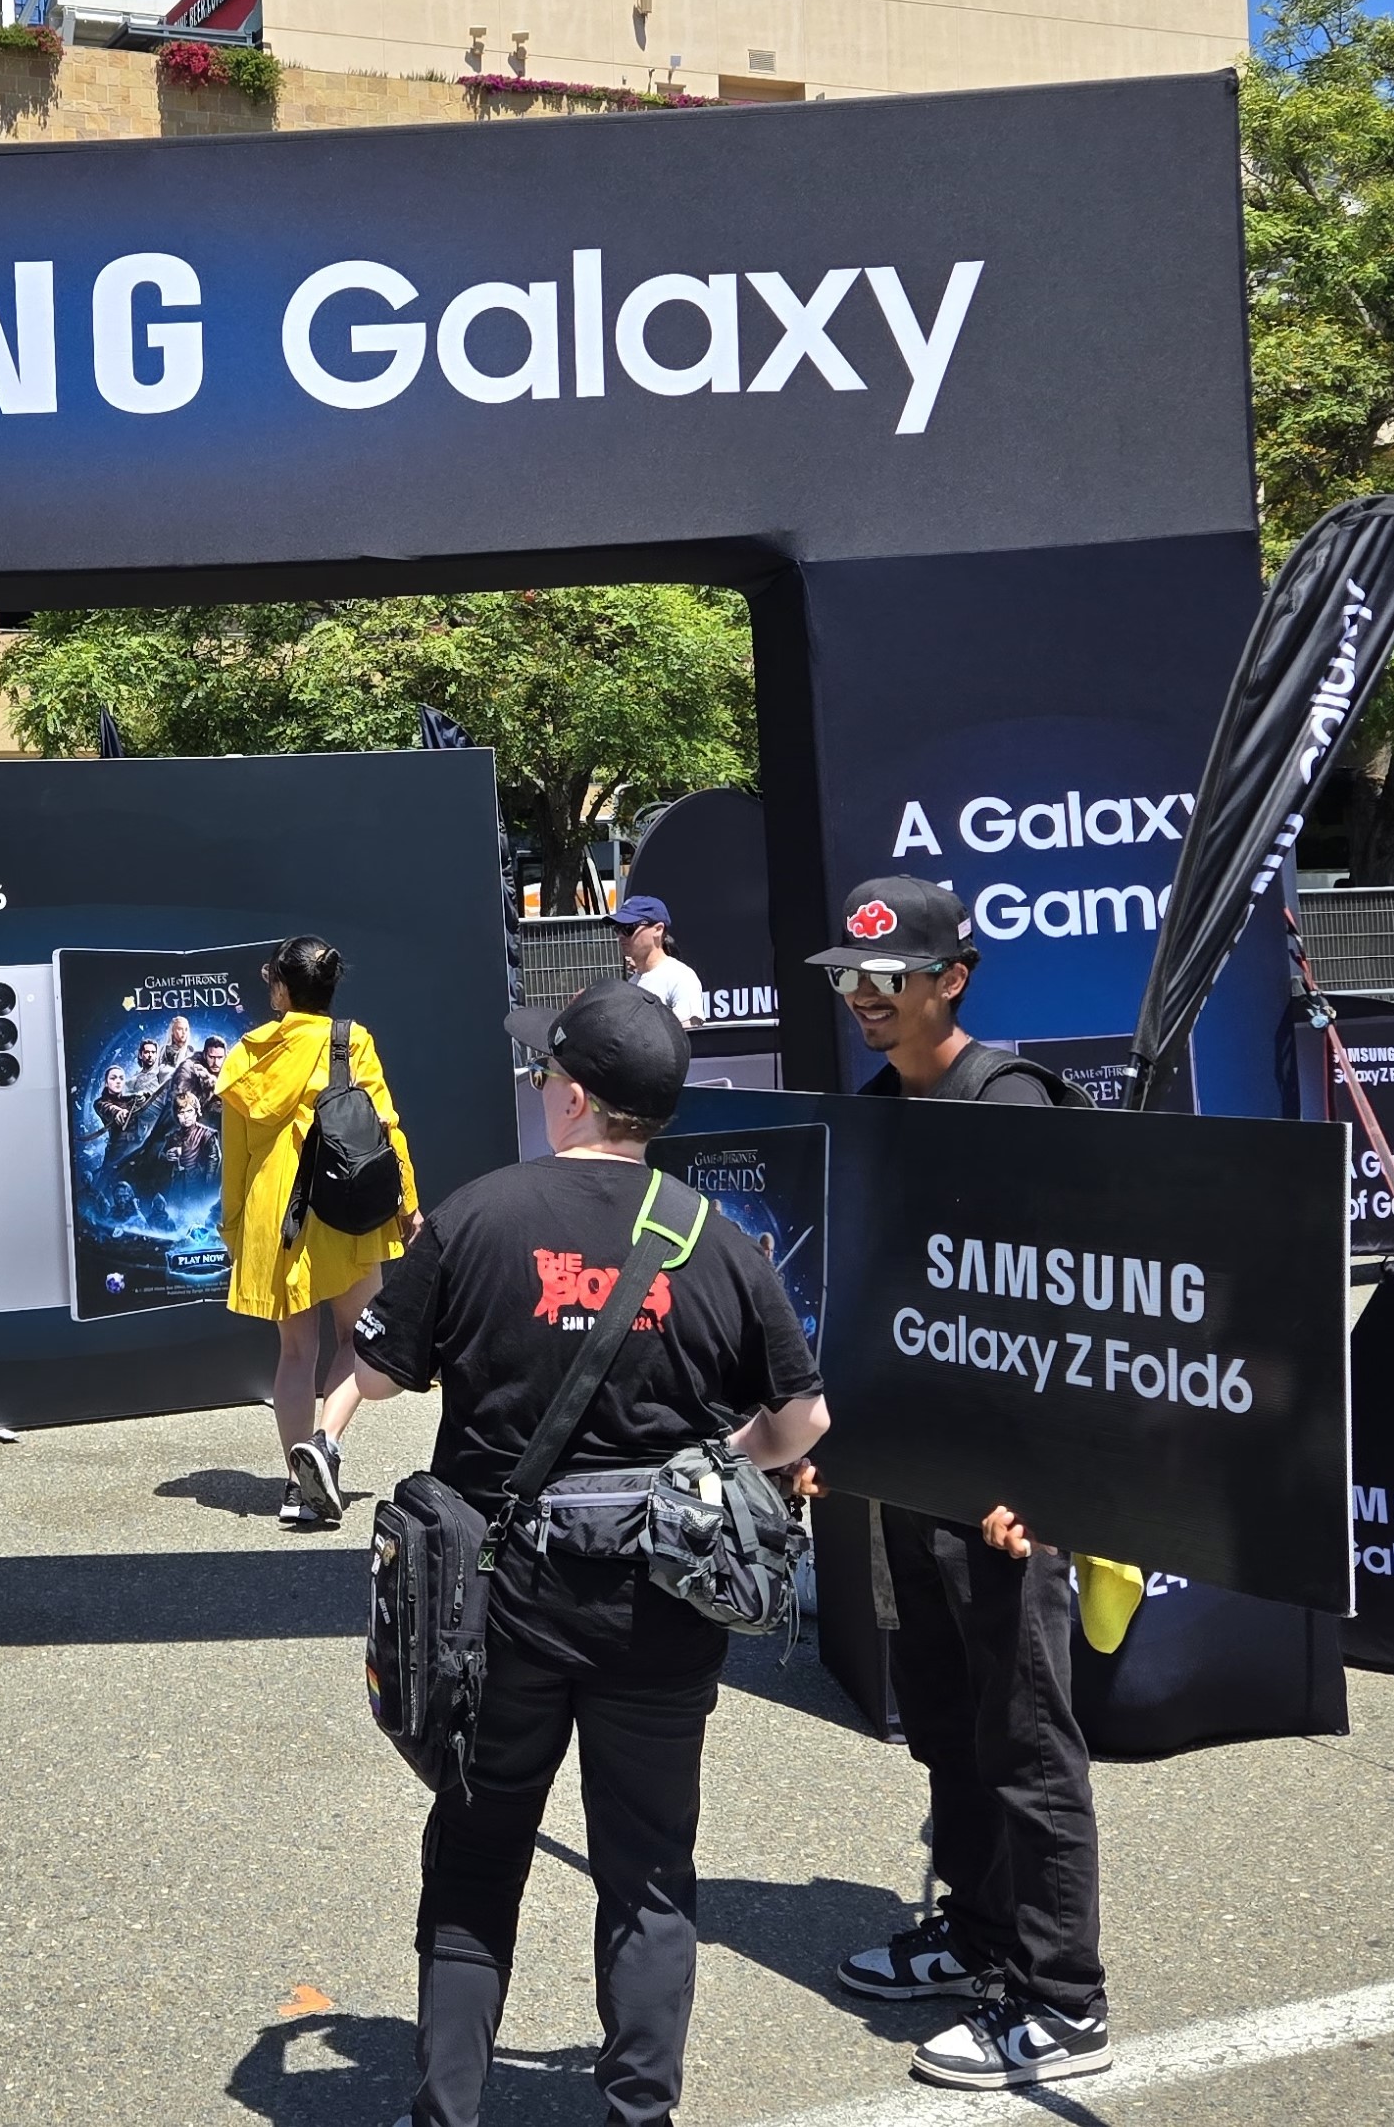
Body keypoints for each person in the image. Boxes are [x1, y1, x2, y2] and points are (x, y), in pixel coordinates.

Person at [342, 980, 830, 2127]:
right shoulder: (715, 1239)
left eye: (541, 1077)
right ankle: (636, 2112)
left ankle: (447, 2111)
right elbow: (801, 1425)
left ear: (572, 1095)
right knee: (650, 1874)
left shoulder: (478, 1216)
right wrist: (717, 1463)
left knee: (476, 1853)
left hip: (494, 1607)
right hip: (658, 1607)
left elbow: (372, 1375)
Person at [806, 875, 1111, 2090]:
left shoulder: (1011, 1102)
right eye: (850, 977)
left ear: (954, 979)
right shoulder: (879, 1108)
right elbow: (888, 1311)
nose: (864, 998)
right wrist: (839, 1441)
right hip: (917, 1483)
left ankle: (1064, 1999)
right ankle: (977, 1938)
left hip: (1008, 1504)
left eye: (887, 976)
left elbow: (1074, 1311)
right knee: (943, 1723)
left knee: (1028, 1743)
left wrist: (1034, 1479)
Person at [214, 936, 420, 1529]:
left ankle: (297, 1485)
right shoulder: (349, 1041)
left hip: (278, 1214)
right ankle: (324, 1444)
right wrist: (408, 1202)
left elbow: (235, 1157)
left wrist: (236, 1225)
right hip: (344, 1205)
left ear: (281, 988)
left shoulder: (246, 1056)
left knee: (296, 1352)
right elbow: (385, 1127)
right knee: (360, 1340)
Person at [614, 894, 710, 1028]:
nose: (620, 936)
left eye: (628, 928)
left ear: (658, 930)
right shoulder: (633, 982)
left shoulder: (680, 978)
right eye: (617, 928)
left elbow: (687, 1038)